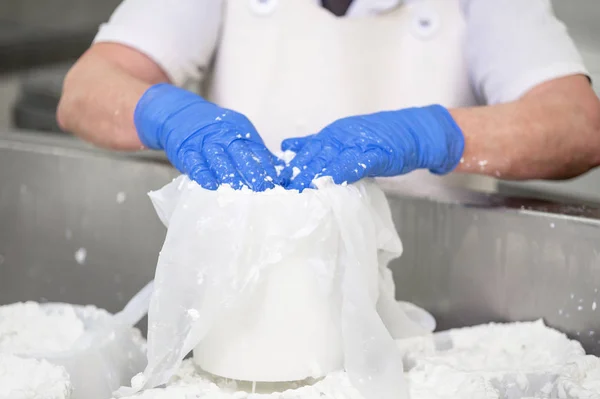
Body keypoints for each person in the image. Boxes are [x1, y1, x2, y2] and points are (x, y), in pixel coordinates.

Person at [57, 0, 600, 193]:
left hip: (433, 296)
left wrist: (429, 135)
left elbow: (578, 124)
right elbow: (87, 89)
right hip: (246, 287)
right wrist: (167, 114)